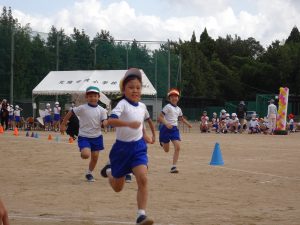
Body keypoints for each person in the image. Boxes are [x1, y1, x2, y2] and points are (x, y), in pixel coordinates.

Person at [100, 68, 155, 225]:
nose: (135, 90)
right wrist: (128, 124)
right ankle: (110, 171)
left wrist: (144, 134)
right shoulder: (122, 105)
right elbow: (111, 121)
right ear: (124, 90)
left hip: (138, 148)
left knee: (143, 178)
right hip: (121, 150)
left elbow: (140, 122)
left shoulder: (142, 107)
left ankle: (141, 215)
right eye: (131, 87)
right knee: (118, 188)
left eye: (138, 87)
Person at [61, 86, 108, 182]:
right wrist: (63, 124)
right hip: (84, 137)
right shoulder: (82, 108)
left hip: (97, 137)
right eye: (90, 96)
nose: (93, 98)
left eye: (95, 96)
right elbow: (71, 112)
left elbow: (104, 121)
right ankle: (83, 152)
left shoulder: (102, 110)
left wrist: (105, 123)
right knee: (86, 155)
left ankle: (89, 173)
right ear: (87, 97)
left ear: (98, 97)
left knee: (95, 157)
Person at [158, 88, 192, 174]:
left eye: (176, 96)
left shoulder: (179, 109)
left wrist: (188, 124)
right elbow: (160, 117)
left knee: (178, 147)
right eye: (172, 96)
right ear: (169, 98)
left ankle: (173, 167)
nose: (174, 98)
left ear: (178, 98)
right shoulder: (167, 107)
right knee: (166, 150)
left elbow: (181, 119)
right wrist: (166, 123)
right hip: (165, 129)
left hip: (174, 130)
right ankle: (162, 142)